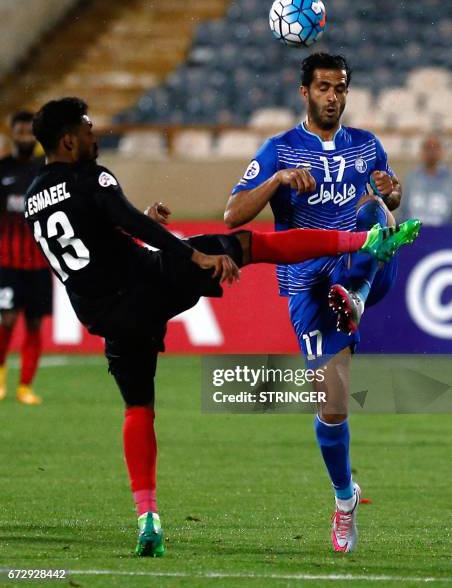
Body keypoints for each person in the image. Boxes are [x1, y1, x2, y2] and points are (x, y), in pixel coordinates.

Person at [26, 97, 417, 557]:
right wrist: (194, 255)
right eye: (89, 129)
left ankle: (148, 518)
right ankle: (362, 240)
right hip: (146, 284)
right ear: (69, 140)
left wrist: (132, 233)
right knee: (248, 246)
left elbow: (89, 242)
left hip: (105, 316)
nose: (95, 136)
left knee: (138, 407)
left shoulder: (34, 195)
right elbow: (129, 219)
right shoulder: (94, 176)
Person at [225, 53, 420, 553]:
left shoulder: (367, 145)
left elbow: (388, 200)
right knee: (332, 406)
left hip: (361, 268)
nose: (333, 96)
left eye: (340, 88)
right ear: (304, 92)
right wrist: (278, 181)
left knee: (372, 211)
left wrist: (392, 192)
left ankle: (354, 295)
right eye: (324, 88)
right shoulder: (280, 149)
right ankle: (344, 498)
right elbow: (232, 215)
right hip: (308, 286)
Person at [0, 111, 51, 405]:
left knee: (34, 324)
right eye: (19, 133)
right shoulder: (2, 170)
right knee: (6, 320)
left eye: (29, 133)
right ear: (12, 135)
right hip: (6, 263)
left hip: (39, 264)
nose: (25, 139)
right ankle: (2, 379)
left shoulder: (44, 172)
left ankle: (25, 387)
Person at [401, 134, 452, 225]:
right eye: (428, 147)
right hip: (415, 234)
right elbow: (404, 212)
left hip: (443, 235)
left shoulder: (449, 180)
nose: (431, 151)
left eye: (435, 147)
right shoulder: (411, 178)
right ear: (422, 151)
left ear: (442, 151)